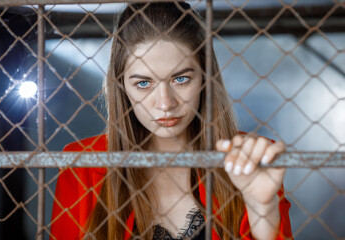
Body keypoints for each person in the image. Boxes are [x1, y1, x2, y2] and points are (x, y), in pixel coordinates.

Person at [50, 2, 292, 240]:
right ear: (121, 87)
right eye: (143, 83)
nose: (165, 104)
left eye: (181, 79)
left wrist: (263, 207)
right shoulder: (82, 164)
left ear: (205, 78)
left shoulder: (250, 157)